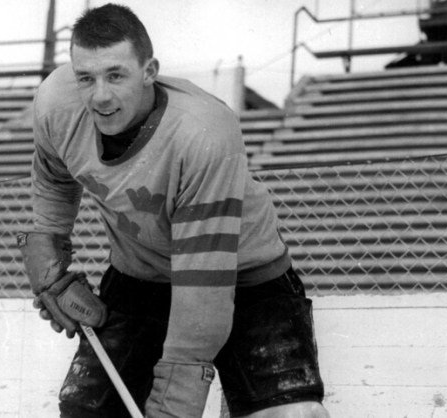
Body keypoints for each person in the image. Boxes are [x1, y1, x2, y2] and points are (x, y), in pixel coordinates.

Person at [18, 3, 330, 418]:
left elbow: (203, 285)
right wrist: (50, 268)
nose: (100, 95)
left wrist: (173, 404)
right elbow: (54, 180)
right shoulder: (57, 101)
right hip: (140, 277)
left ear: (149, 70)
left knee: (295, 415)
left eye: (116, 75)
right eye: (86, 78)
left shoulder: (204, 132)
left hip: (242, 275)